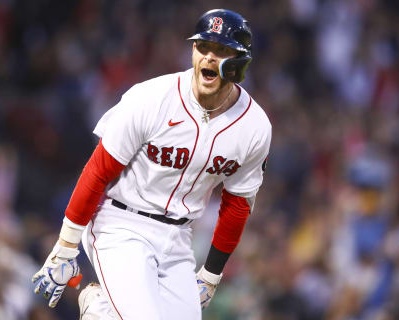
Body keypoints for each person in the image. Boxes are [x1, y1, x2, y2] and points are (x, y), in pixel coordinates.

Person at [32, 8, 272, 320]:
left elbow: (237, 204)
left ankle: (102, 311)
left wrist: (211, 275)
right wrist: (65, 246)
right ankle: (101, 307)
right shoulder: (152, 98)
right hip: (120, 224)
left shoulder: (254, 127)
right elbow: (98, 170)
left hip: (179, 239)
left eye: (222, 50)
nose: (209, 58)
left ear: (241, 63)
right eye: (203, 47)